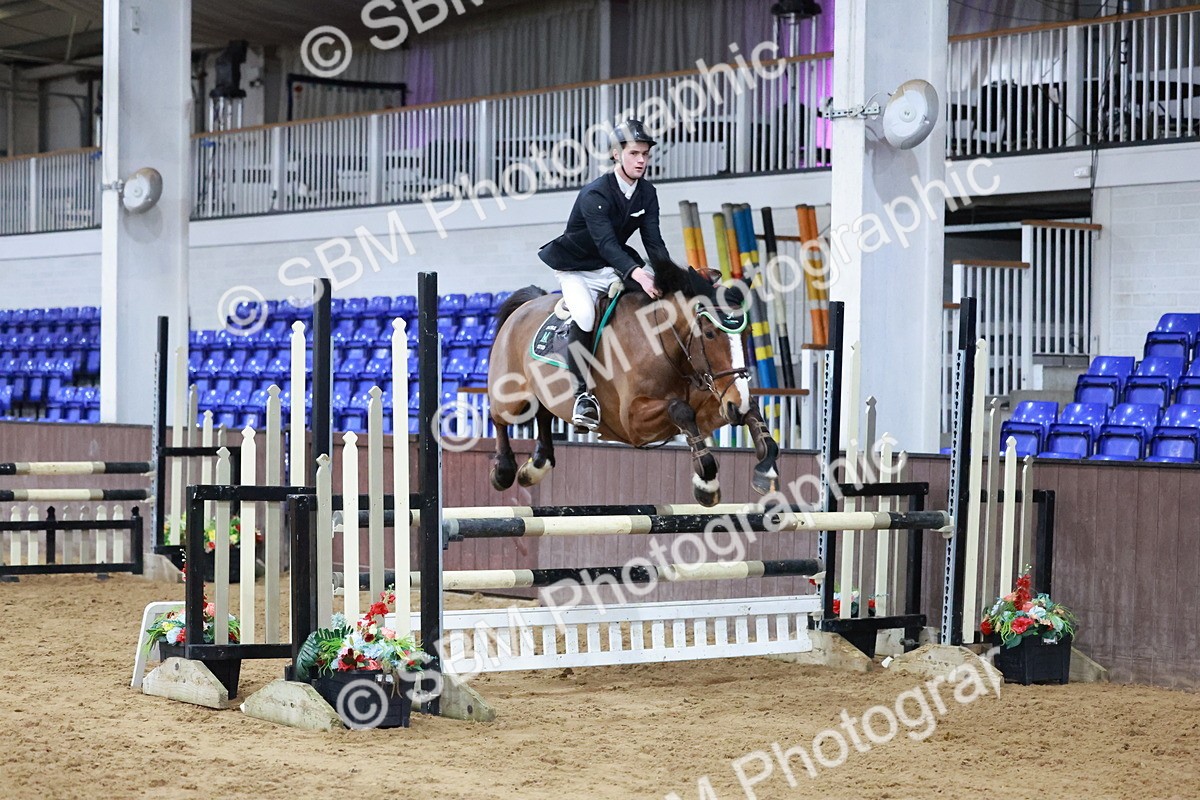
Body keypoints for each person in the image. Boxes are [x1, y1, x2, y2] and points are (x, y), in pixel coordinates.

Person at [538, 118, 674, 432]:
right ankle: (582, 394)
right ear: (616, 155)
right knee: (585, 315)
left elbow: (653, 240)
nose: (641, 160)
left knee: (644, 300)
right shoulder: (595, 194)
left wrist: (669, 277)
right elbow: (607, 244)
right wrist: (639, 275)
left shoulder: (647, 193)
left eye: (645, 154)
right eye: (634, 154)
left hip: (611, 265)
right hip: (576, 268)